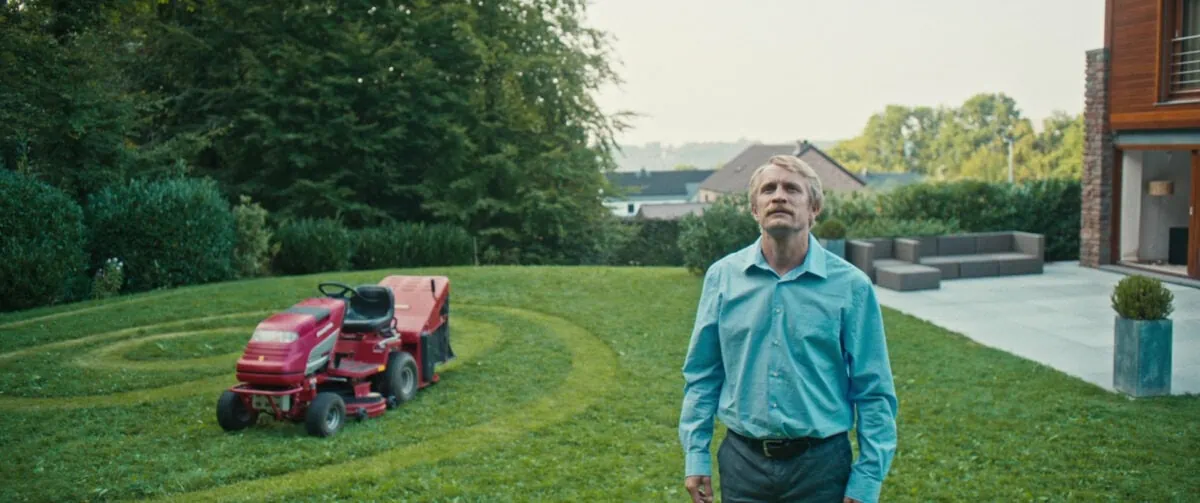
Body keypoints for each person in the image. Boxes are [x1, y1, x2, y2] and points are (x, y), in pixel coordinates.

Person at [678, 155, 898, 503]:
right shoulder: (722, 278)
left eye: (792, 189)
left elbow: (874, 389)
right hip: (742, 464)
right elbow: (703, 374)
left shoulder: (852, 287)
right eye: (768, 189)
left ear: (814, 209)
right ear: (755, 209)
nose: (778, 196)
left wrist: (868, 476)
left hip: (822, 467)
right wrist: (696, 454)